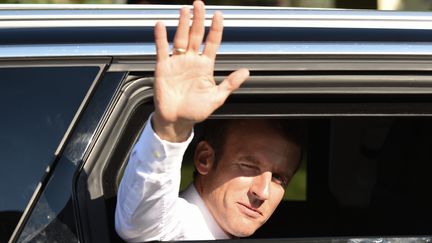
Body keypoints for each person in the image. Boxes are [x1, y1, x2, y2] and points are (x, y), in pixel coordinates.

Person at [115, 1, 302, 241]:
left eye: (278, 178)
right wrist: (172, 129)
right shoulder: (175, 228)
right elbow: (141, 223)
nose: (262, 192)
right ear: (205, 159)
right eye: (249, 166)